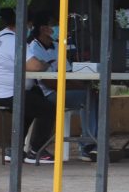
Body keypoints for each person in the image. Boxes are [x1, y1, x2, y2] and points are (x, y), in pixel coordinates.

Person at [0, 8, 56, 164]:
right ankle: (36, 150)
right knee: (48, 108)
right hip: (4, 94)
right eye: (29, 26)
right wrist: (43, 64)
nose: (30, 29)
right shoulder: (13, 40)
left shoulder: (2, 35)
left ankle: (14, 150)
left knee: (34, 98)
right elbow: (34, 66)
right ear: (23, 24)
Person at [26, 10, 99, 161]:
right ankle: (88, 145)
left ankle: (92, 142)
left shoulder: (58, 46)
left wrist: (81, 84)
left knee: (92, 94)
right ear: (43, 28)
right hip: (47, 94)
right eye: (54, 24)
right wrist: (79, 87)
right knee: (89, 95)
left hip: (64, 89)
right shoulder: (33, 49)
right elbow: (48, 82)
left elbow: (68, 73)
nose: (58, 28)